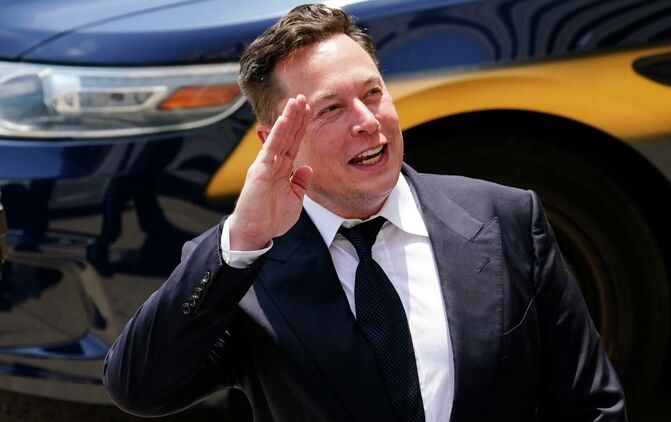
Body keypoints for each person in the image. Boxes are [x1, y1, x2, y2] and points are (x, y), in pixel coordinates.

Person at [103, 4, 627, 421]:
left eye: (373, 93)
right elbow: (140, 389)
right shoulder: (244, 266)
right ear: (274, 141)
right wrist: (243, 238)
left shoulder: (506, 218)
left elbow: (591, 406)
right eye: (331, 108)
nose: (368, 122)